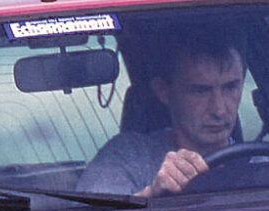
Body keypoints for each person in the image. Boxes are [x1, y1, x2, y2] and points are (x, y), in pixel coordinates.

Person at [78, 29, 246, 197]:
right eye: (200, 91)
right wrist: (152, 195)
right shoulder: (131, 157)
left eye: (230, 87)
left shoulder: (264, 163)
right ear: (163, 91)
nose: (219, 110)